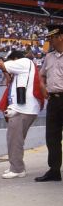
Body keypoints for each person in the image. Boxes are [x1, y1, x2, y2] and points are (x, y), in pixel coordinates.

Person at [0, 51, 43, 179]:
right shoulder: (26, 68)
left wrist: (6, 71)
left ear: (15, 59)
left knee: (14, 140)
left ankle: (17, 169)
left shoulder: (23, 62)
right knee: (15, 139)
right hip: (25, 109)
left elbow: (1, 65)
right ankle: (15, 166)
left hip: (22, 109)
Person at [35, 25, 63, 182]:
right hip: (53, 100)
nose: (50, 41)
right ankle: (54, 170)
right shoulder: (49, 57)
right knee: (52, 137)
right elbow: (42, 75)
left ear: (61, 37)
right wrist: (42, 87)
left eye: (52, 37)